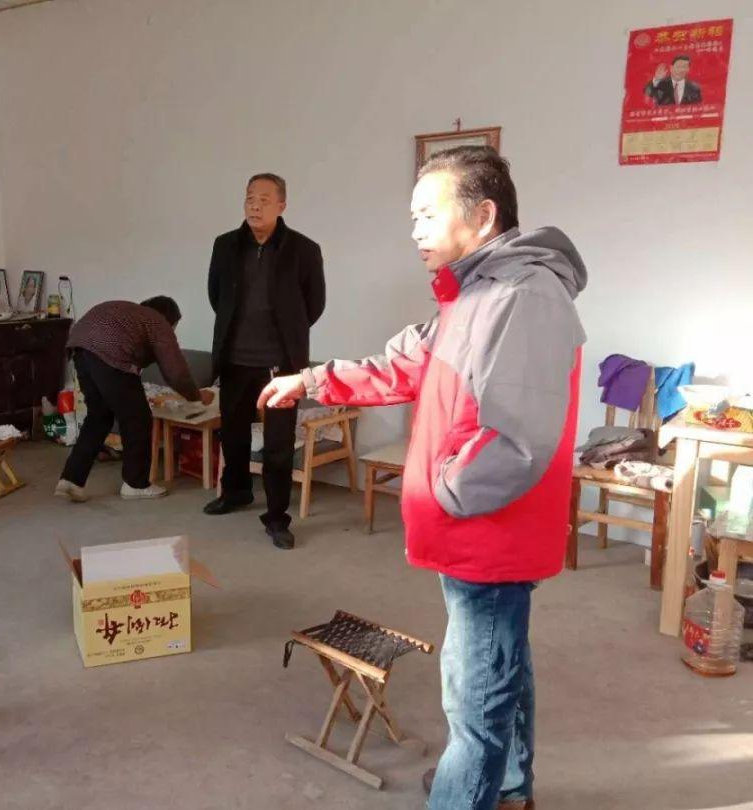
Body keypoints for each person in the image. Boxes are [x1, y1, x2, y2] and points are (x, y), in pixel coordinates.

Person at [258, 147, 587, 810]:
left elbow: (518, 441)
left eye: (428, 215)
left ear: (483, 215)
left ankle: (471, 795)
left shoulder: (522, 297)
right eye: (413, 217)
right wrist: (313, 380)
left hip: (486, 531)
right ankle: (511, 786)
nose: (415, 231)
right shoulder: (474, 294)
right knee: (501, 664)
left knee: (475, 694)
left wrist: (443, 489)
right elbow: (404, 365)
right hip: (472, 527)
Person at [203, 173, 325, 550]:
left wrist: (287, 335)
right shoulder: (225, 245)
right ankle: (236, 491)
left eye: (264, 200)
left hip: (280, 367)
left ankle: (276, 517)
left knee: (278, 445)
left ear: (282, 205)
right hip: (235, 360)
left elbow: (314, 304)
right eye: (250, 198)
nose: (255, 206)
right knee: (233, 434)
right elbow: (216, 296)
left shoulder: (303, 249)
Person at [55, 296, 214, 502]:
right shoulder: (157, 321)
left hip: (79, 348)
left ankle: (71, 480)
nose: (173, 332)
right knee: (138, 419)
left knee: (98, 417)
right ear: (169, 319)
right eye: (174, 327)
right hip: (108, 353)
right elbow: (176, 371)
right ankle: (136, 484)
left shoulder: (131, 315)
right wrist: (196, 396)